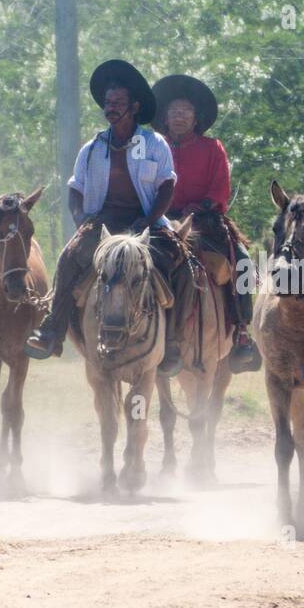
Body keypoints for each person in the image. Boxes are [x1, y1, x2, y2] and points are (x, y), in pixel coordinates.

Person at [25, 59, 188, 376]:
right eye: (108, 103)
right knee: (68, 258)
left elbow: (167, 186)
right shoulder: (92, 148)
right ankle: (52, 330)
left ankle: (173, 342)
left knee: (183, 265)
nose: (110, 108)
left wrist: (149, 220)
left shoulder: (155, 144)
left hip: (147, 222)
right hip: (102, 222)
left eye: (118, 103)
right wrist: (82, 220)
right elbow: (76, 189)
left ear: (134, 107)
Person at [152, 74, 260, 373]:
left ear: (196, 118)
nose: (180, 116)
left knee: (242, 260)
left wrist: (199, 208)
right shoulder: (153, 147)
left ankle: (241, 331)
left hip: (204, 220)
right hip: (160, 221)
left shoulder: (213, 148)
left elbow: (220, 190)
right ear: (164, 116)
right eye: (174, 111)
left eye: (186, 111)